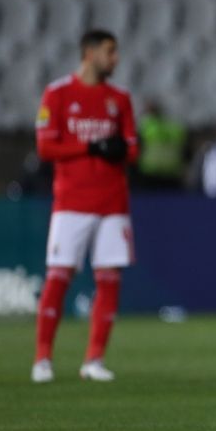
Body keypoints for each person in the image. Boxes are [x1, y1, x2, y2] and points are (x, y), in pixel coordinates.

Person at [32, 29, 139, 383]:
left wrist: (119, 150)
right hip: (72, 202)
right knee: (59, 278)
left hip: (112, 202)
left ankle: (94, 360)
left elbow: (133, 148)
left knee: (109, 280)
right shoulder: (58, 93)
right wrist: (90, 148)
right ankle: (43, 358)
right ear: (90, 54)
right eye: (110, 52)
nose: (115, 59)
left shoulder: (119, 98)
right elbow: (46, 148)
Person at [135, 100, 187, 190]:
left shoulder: (145, 127)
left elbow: (135, 149)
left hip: (150, 173)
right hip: (173, 173)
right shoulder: (176, 128)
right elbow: (185, 151)